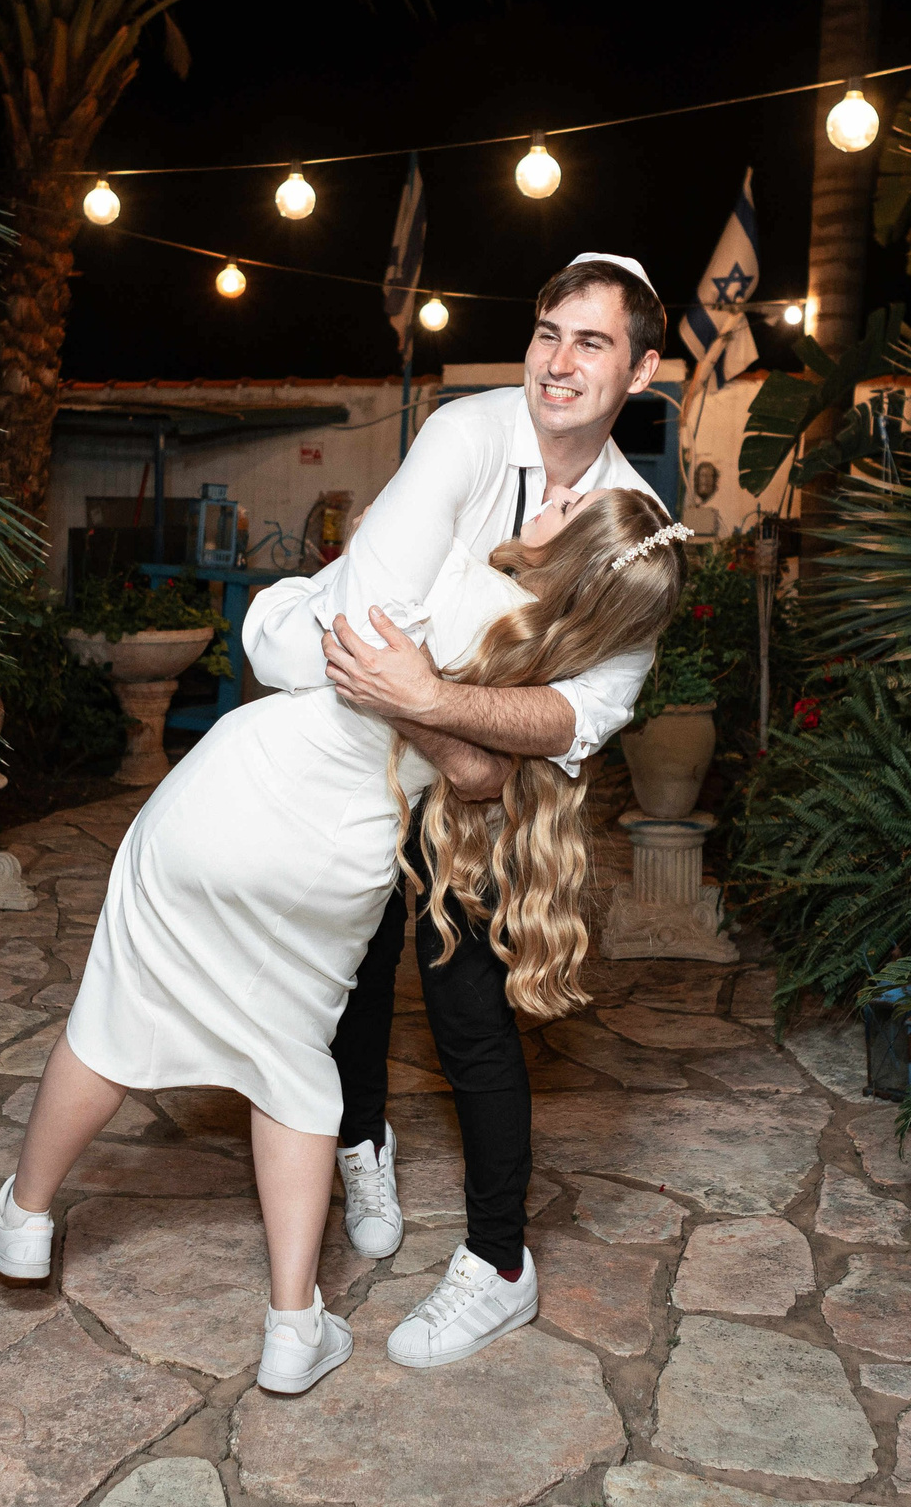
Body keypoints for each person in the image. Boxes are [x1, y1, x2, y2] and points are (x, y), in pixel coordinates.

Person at [0, 478, 685, 1395]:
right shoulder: (536, 678)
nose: (548, 497)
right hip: (342, 865)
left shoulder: (441, 573)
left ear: (567, 547)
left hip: (237, 803)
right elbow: (474, 775)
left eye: (568, 504)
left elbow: (280, 636)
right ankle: (294, 1326)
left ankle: (23, 1220)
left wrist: (300, 597)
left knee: (119, 1006)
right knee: (293, 1067)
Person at [243, 255, 672, 1369]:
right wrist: (448, 724)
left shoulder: (642, 527)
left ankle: (499, 1266)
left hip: (490, 813)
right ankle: (361, 1139)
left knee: (469, 1012)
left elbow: (586, 712)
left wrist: (440, 707)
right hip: (380, 756)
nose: (559, 360)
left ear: (643, 368)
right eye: (546, 331)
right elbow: (365, 630)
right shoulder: (467, 432)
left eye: (592, 342)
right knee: (350, 960)